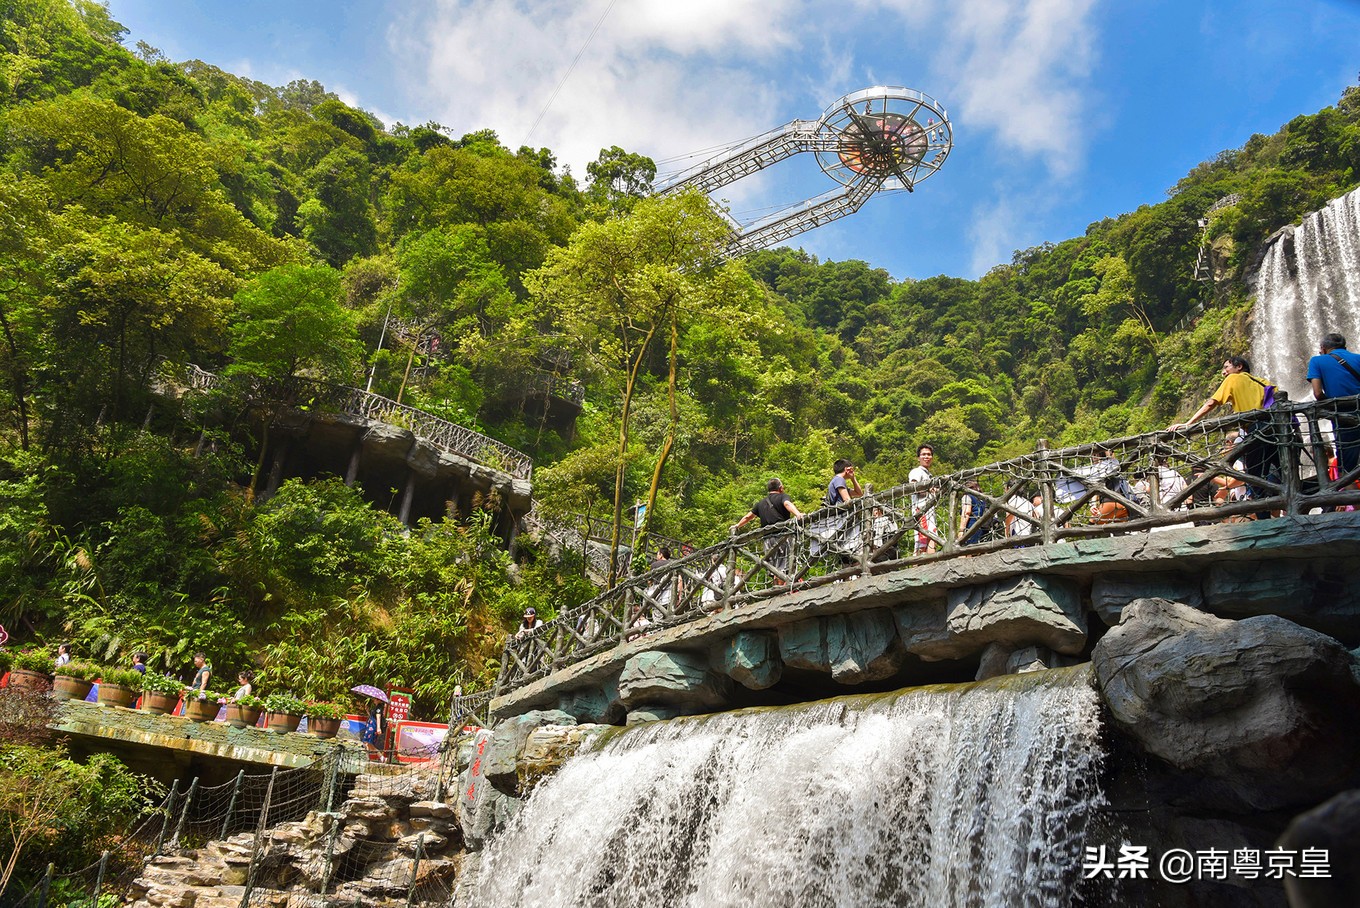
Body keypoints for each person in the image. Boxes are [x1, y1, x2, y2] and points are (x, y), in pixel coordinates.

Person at [1169, 355, 1277, 518]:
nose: (1223, 372)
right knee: (1279, 474)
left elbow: (1211, 403)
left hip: (1257, 431)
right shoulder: (1264, 382)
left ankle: (1264, 520)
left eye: (1226, 367)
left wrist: (1188, 423)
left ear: (1239, 367)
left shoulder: (1233, 379)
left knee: (1254, 477)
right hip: (1278, 430)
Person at [1307, 332, 1360, 475]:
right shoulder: (1358, 358)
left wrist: (1329, 405)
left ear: (1323, 348)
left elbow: (1318, 393)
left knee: (1347, 470)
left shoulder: (1317, 361)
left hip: (1343, 416)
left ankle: (1349, 489)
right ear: (1345, 347)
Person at [732, 478, 804, 583]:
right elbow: (787, 504)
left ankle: (777, 589)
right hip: (783, 538)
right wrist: (798, 514)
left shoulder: (760, 503)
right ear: (780, 488)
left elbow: (748, 517)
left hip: (767, 541)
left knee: (774, 569)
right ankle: (785, 589)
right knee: (785, 566)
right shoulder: (783, 496)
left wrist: (737, 525)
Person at [909, 445, 938, 554]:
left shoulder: (929, 475)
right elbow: (913, 486)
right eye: (923, 454)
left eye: (929, 454)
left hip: (929, 512)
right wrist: (929, 490)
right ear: (918, 458)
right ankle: (919, 565)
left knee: (932, 539)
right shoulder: (917, 471)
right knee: (922, 544)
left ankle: (931, 563)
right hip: (921, 510)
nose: (926, 457)